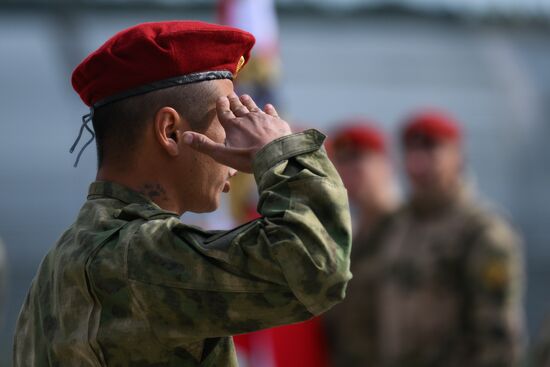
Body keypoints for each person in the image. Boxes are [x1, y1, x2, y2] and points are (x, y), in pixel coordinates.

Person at [13, 21, 352, 366]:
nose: (236, 154)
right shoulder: (139, 257)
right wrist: (280, 151)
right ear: (170, 131)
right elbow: (317, 267)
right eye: (229, 121)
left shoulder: (56, 265)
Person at [358, 110, 525, 367]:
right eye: (411, 153)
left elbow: (498, 335)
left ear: (457, 156)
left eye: (431, 151)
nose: (419, 163)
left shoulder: (481, 232)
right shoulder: (395, 226)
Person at [324, 121, 400, 367]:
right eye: (341, 162)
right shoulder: (351, 236)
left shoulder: (410, 230)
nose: (347, 172)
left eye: (358, 160)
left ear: (386, 165)